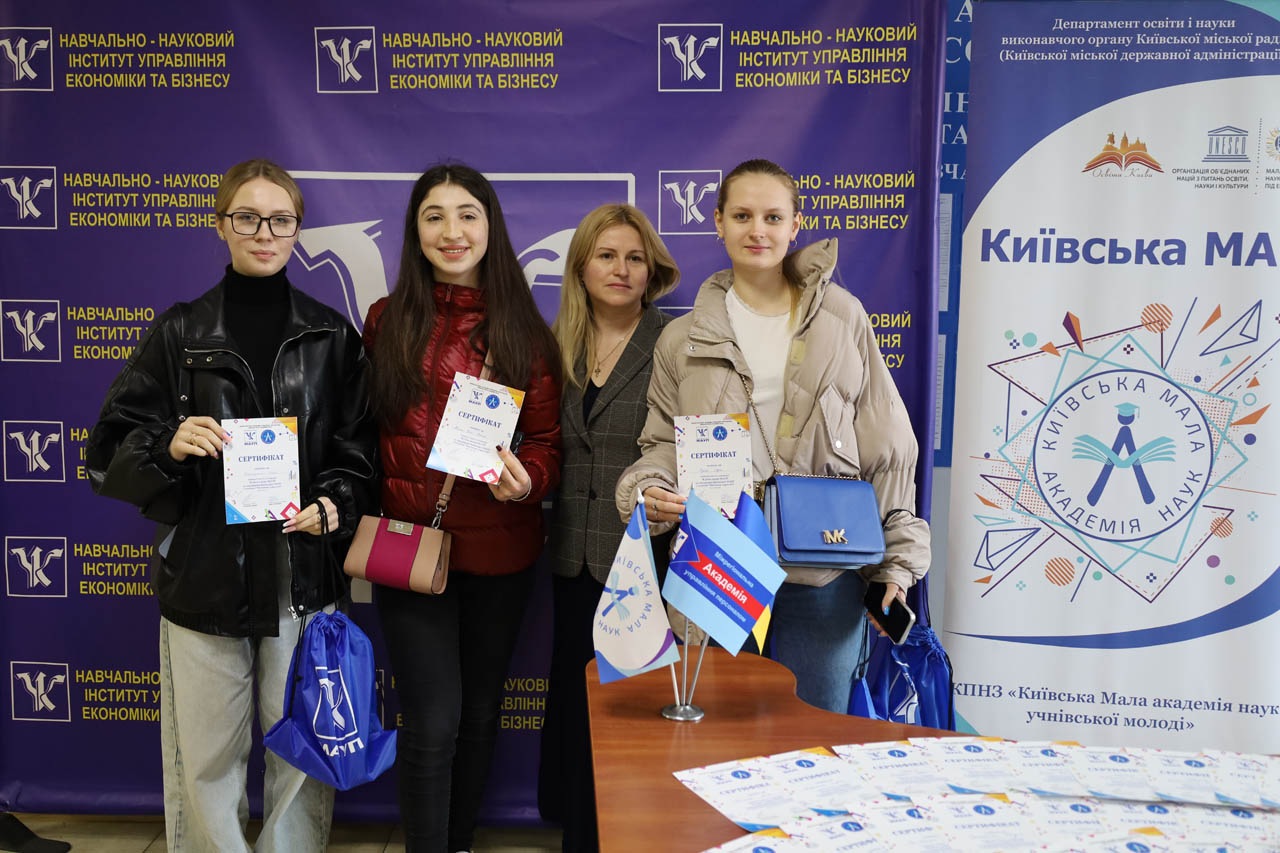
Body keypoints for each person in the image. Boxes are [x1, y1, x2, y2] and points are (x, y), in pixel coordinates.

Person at [85, 158, 379, 852]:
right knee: (206, 755)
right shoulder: (180, 333)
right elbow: (107, 451)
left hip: (301, 574)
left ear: (298, 229)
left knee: (302, 753)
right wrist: (167, 444)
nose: (264, 233)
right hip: (206, 574)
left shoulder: (331, 335)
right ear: (220, 225)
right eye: (247, 218)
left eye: (280, 220)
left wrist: (334, 503)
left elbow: (361, 449)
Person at [615, 159, 931, 714]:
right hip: (718, 560)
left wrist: (897, 564)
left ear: (794, 225)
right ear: (718, 222)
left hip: (825, 569)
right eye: (742, 216)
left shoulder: (842, 317)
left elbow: (888, 447)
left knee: (816, 731)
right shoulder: (682, 339)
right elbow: (662, 442)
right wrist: (647, 488)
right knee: (713, 733)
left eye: (772, 217)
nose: (757, 230)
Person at [362, 163, 562, 853]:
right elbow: (361, 432)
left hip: (501, 552)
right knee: (431, 721)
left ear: (490, 226)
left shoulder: (524, 331)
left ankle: (460, 842)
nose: (452, 231)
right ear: (415, 232)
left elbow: (546, 443)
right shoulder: (387, 320)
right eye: (434, 216)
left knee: (478, 714)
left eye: (467, 214)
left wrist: (526, 482)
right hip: (409, 549)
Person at [538, 204, 679, 852]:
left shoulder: (677, 344)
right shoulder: (555, 346)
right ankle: (581, 836)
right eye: (606, 255)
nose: (621, 269)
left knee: (634, 717)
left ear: (652, 270)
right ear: (580, 268)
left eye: (634, 257)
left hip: (650, 562)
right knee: (577, 709)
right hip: (571, 560)